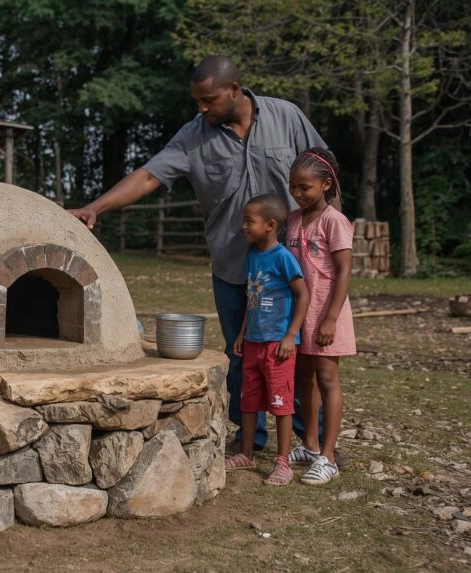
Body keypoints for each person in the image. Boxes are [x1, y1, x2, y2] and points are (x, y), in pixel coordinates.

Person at [68, 55, 340, 460]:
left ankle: (312, 442)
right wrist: (96, 207)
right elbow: (148, 175)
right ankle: (251, 439)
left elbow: (325, 170)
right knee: (241, 353)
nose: (202, 108)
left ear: (234, 90)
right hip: (235, 267)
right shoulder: (193, 136)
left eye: (208, 100)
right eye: (197, 101)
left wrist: (334, 243)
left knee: (299, 357)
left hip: (294, 266)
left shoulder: (287, 116)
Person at [224, 194, 309, 486]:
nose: (244, 226)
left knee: (281, 403)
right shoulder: (253, 256)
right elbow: (252, 299)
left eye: (250, 221)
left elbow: (303, 294)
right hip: (253, 343)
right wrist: (242, 334)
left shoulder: (284, 257)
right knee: (249, 401)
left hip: (278, 347)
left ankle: (283, 462)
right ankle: (247, 453)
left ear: (270, 225)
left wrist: (290, 335)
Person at [284, 148, 356, 484]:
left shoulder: (335, 221)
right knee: (305, 379)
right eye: (292, 187)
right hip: (302, 314)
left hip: (328, 312)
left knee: (327, 379)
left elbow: (343, 272)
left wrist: (330, 318)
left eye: (304, 187)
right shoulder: (295, 219)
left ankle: (328, 456)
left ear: (326, 185)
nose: (297, 193)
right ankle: (310, 445)